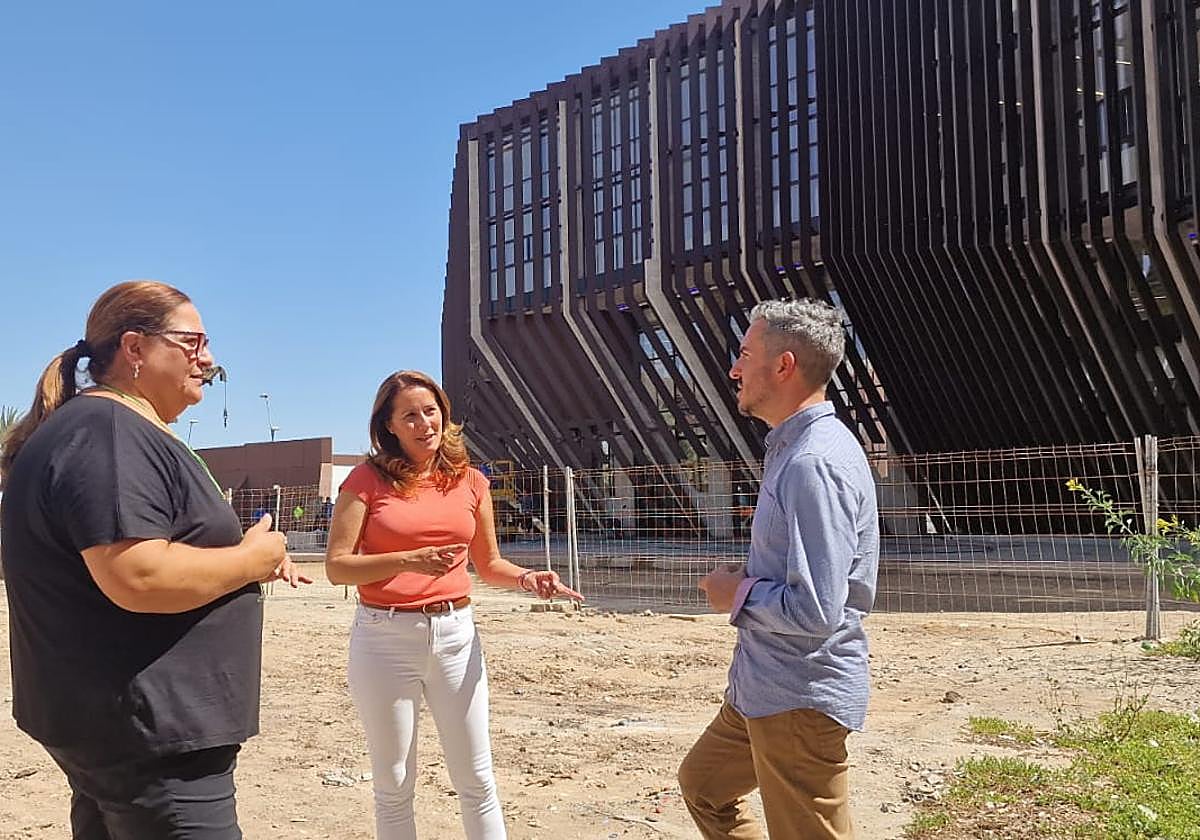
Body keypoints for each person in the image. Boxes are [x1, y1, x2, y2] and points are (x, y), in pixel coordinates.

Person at [0, 280, 311, 840]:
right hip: (153, 741)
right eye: (193, 342)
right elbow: (138, 575)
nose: (208, 360)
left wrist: (244, 556)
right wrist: (252, 558)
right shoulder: (109, 433)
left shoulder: (104, 429)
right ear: (135, 348)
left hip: (125, 732)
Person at [325, 370, 581, 840]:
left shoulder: (471, 481)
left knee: (477, 779)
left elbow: (489, 564)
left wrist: (528, 579)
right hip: (384, 639)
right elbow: (338, 567)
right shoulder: (366, 480)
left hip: (456, 638)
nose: (424, 423)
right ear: (389, 426)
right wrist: (408, 560)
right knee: (394, 783)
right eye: (410, 415)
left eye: (431, 412)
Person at [678, 299, 879, 840]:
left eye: (745, 355)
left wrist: (736, 594)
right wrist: (752, 571)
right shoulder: (791, 449)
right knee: (704, 785)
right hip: (762, 688)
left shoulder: (813, 462)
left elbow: (816, 610)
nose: (734, 369)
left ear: (784, 366)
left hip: (798, 695)